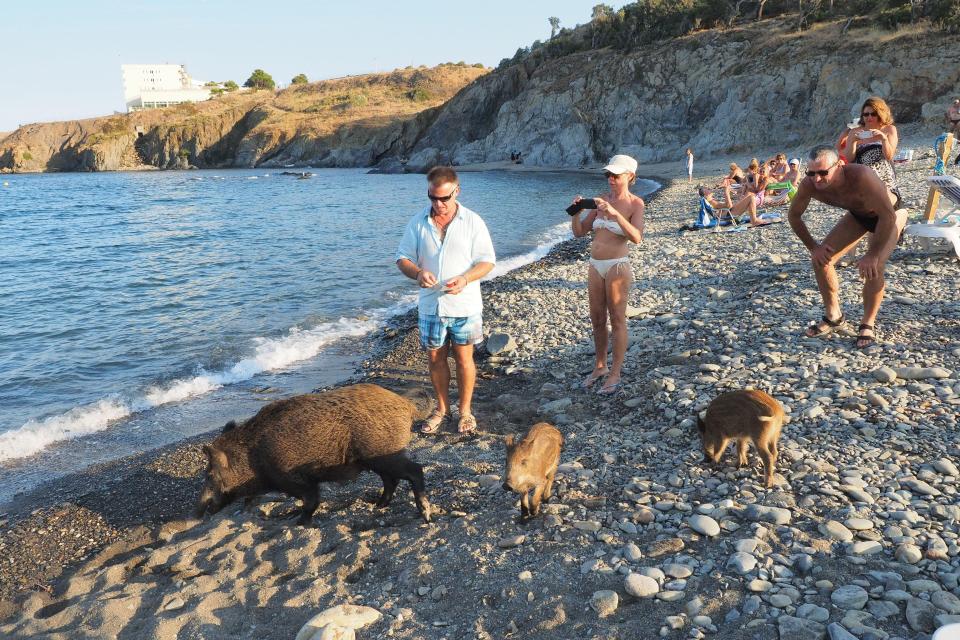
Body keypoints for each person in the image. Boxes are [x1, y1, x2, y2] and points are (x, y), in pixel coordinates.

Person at [395, 166, 496, 434]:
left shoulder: (473, 221)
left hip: (465, 305)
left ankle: (465, 412)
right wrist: (417, 273)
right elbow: (402, 259)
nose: (438, 204)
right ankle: (442, 409)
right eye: (432, 198)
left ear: (456, 191)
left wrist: (465, 279)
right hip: (431, 305)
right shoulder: (418, 222)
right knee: (435, 359)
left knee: (465, 359)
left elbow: (487, 261)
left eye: (444, 198)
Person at [787, 145, 908, 349]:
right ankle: (833, 316)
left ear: (840, 165)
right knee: (821, 260)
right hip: (859, 215)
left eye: (823, 172)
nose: (817, 179)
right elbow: (794, 216)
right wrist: (813, 247)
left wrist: (872, 253)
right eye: (811, 173)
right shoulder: (810, 184)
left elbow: (887, 216)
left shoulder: (862, 176)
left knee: (874, 266)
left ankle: (867, 323)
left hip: (891, 214)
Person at [570, 154, 645, 395]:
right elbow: (580, 232)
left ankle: (615, 373)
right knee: (597, 318)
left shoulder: (636, 204)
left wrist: (614, 214)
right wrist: (576, 214)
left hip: (617, 265)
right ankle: (600, 366)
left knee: (618, 318)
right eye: (608, 175)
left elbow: (636, 237)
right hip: (595, 264)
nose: (611, 179)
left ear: (630, 176)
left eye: (616, 175)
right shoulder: (600, 200)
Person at [843, 96, 899, 194]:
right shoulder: (855, 132)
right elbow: (849, 159)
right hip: (860, 175)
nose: (869, 117)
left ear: (880, 114)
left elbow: (889, 156)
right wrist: (853, 142)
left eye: (873, 114)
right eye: (866, 114)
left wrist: (883, 139)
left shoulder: (889, 129)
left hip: (883, 174)